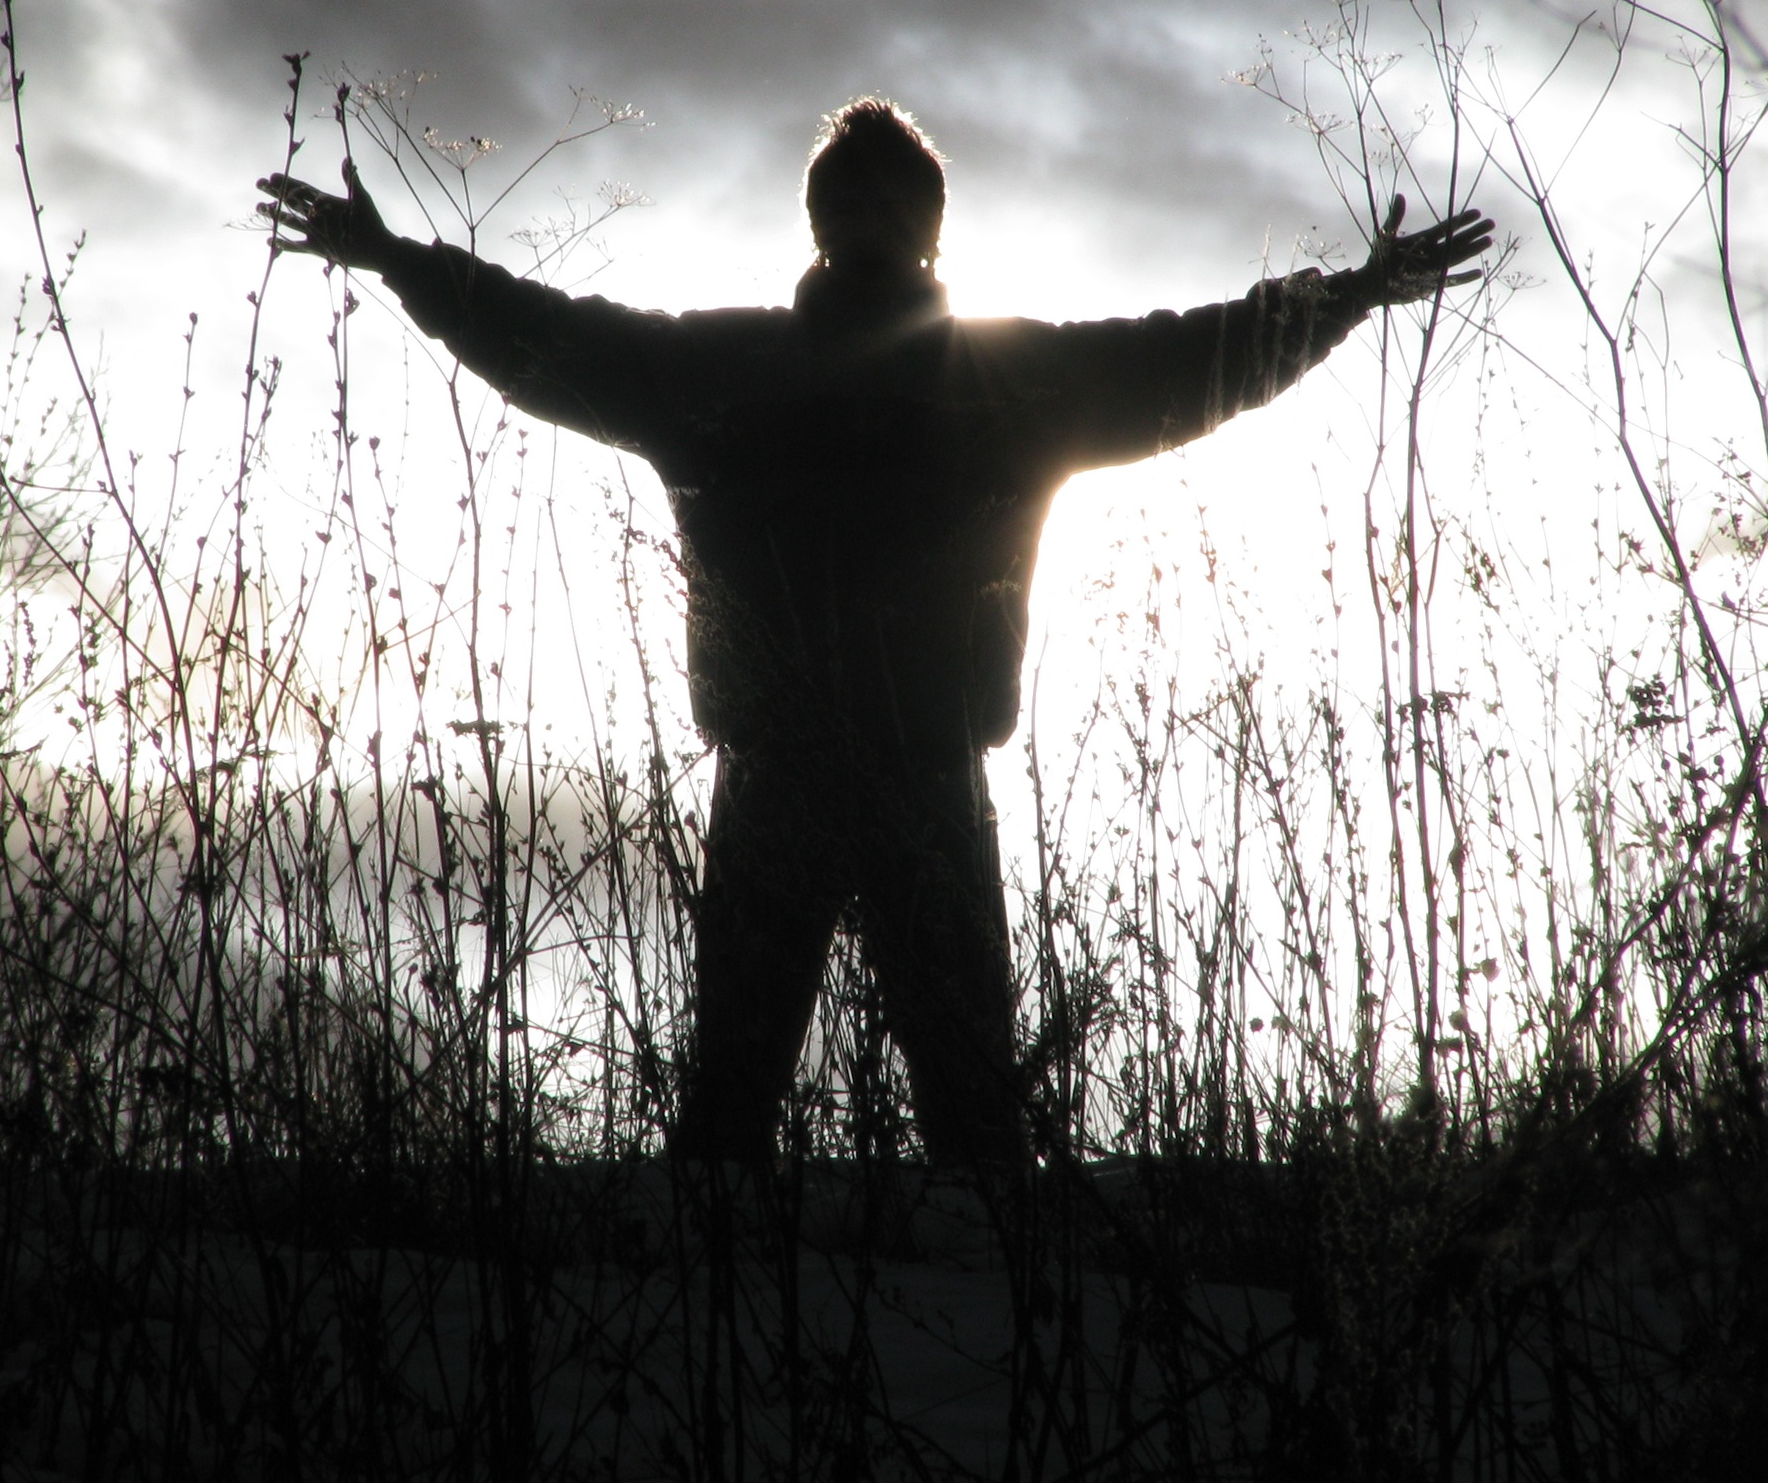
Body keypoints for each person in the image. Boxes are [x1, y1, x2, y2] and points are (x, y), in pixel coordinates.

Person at [258, 98, 1490, 1169]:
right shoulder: (808, 373)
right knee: (800, 1113)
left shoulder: (917, 377)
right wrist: (396, 260)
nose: (866, 225)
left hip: (889, 774)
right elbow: (548, 338)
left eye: (879, 205)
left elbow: (1187, 358)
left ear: (907, 228)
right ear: (844, 226)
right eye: (854, 204)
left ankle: (907, 1318)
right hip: (826, 775)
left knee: (910, 1114)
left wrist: (1348, 296)